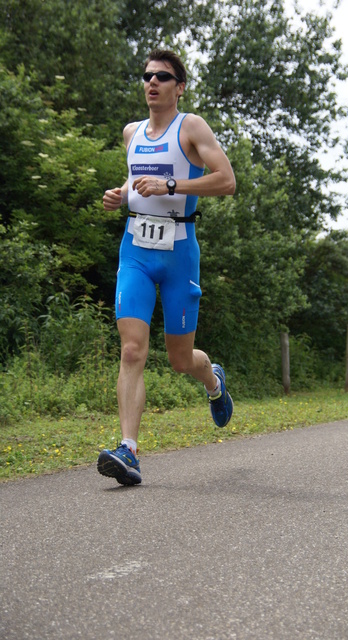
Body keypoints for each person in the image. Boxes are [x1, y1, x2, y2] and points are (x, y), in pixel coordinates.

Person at [97, 49, 236, 486]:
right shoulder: (131, 133)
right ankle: (129, 451)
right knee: (132, 350)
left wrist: (171, 184)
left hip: (179, 253)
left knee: (179, 360)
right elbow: (138, 175)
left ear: (179, 86)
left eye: (162, 76)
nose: (151, 82)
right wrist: (122, 193)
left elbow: (227, 180)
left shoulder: (191, 127)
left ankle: (212, 380)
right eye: (146, 76)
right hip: (135, 249)